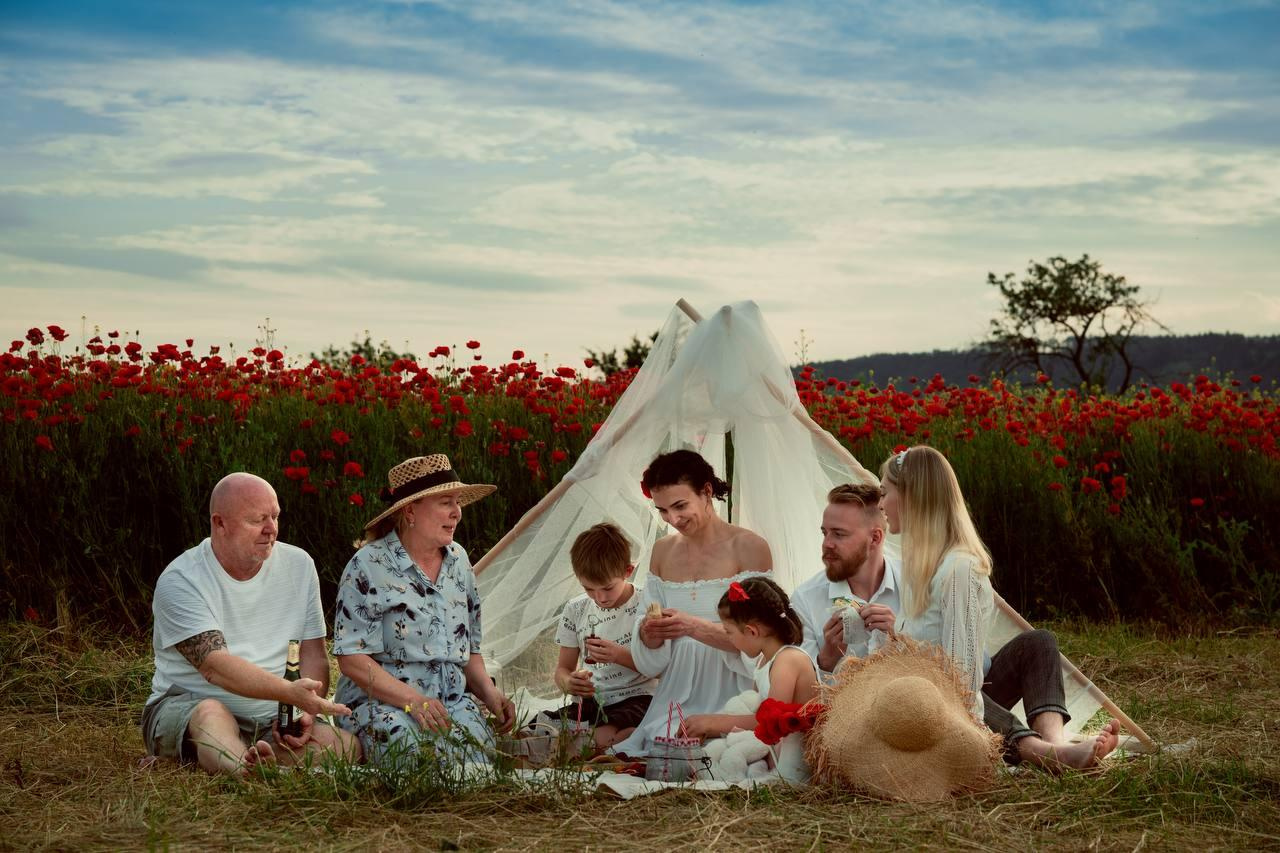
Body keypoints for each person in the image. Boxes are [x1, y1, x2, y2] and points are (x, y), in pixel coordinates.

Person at [877, 445, 1121, 771]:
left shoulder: (958, 569)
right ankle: (1050, 753)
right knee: (943, 685)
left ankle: (1054, 747)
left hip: (956, 705)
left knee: (1037, 642)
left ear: (912, 496)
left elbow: (961, 681)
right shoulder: (919, 569)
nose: (880, 504)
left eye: (885, 493)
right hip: (930, 704)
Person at [141, 472, 358, 776]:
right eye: (257, 520)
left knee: (346, 747)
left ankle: (238, 759)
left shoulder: (299, 565)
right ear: (220, 523)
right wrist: (289, 693)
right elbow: (215, 667)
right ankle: (242, 767)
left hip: (274, 716)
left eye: (275, 517)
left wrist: (303, 711)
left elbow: (312, 653)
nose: (271, 529)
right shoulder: (181, 580)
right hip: (194, 707)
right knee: (211, 715)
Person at [332, 454, 516, 763]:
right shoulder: (368, 566)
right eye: (446, 502)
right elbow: (351, 659)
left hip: (449, 704)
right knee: (414, 760)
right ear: (410, 511)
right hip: (384, 704)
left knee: (479, 763)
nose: (457, 512)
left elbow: (469, 649)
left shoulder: (458, 561)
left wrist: (489, 692)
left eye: (458, 502)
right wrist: (413, 701)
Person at [611, 448, 774, 756]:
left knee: (724, 752)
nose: (673, 519)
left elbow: (763, 638)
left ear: (706, 491)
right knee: (664, 744)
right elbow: (649, 648)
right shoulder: (662, 551)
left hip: (734, 688)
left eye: (680, 505)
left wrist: (692, 627)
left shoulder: (749, 547)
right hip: (677, 689)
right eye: (662, 510)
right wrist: (648, 634)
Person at [680, 576, 818, 782]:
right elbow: (754, 711)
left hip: (793, 763)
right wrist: (710, 728)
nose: (729, 639)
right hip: (772, 750)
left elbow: (772, 721)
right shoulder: (764, 661)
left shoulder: (788, 660)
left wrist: (712, 722)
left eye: (729, 632)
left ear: (751, 631)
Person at [551, 522, 654, 748]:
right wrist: (569, 683)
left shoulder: (646, 605)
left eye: (608, 588)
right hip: (592, 702)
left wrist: (619, 655)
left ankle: (616, 740)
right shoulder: (576, 609)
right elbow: (562, 669)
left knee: (601, 737)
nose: (600, 598)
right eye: (589, 589)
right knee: (543, 731)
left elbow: (660, 669)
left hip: (636, 698)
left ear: (628, 571)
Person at [792, 482, 901, 676]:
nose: (826, 544)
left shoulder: (916, 586)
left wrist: (902, 637)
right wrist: (826, 660)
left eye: (839, 534)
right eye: (825, 533)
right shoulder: (805, 600)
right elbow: (798, 689)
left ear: (875, 538)